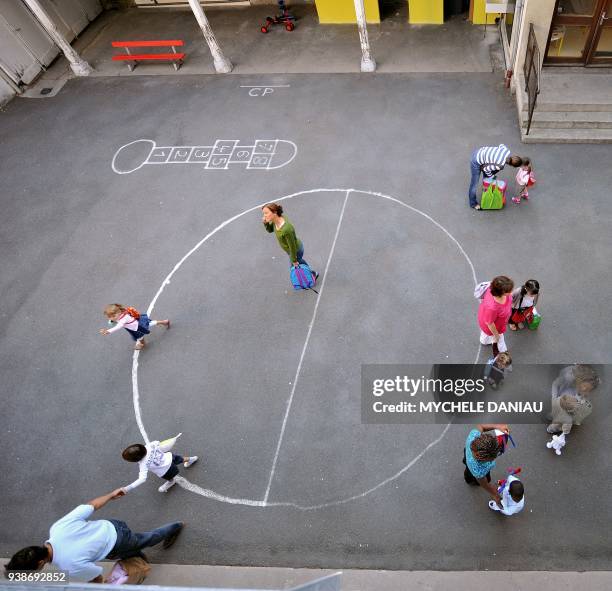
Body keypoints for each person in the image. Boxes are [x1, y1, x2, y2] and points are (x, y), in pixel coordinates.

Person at [4, 489, 183, 583]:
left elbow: (96, 576)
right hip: (112, 525)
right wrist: (112, 495)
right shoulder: (56, 529)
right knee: (131, 548)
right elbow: (91, 506)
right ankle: (136, 552)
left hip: (118, 542)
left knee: (148, 539)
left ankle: (175, 526)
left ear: (39, 564)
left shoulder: (70, 567)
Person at [121, 436, 198, 494]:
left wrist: (127, 488)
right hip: (169, 458)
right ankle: (192, 459)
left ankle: (171, 482)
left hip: (165, 471)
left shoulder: (143, 464)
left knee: (170, 478)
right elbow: (159, 443)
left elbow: (142, 479)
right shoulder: (150, 446)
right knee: (181, 459)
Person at [262, 203, 318, 279]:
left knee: (296, 265)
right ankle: (311, 274)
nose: (264, 216)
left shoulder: (286, 229)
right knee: (299, 262)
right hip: (292, 250)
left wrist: (294, 260)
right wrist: (266, 223)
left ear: (274, 212)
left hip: (296, 250)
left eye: (266, 213)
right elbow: (270, 230)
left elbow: (292, 246)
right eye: (263, 213)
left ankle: (311, 274)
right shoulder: (276, 221)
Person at [463, 423, 512, 507]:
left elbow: (481, 426)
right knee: (474, 477)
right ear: (489, 459)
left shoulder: (473, 437)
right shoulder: (479, 470)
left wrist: (497, 426)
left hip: (467, 457)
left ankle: (468, 478)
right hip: (475, 471)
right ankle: (471, 481)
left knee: (467, 468)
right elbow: (484, 483)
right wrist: (494, 493)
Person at [548, 365, 600, 435]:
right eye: (584, 386)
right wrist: (554, 399)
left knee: (570, 414)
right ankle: (557, 419)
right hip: (564, 395)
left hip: (571, 404)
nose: (584, 389)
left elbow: (583, 404)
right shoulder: (569, 377)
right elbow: (555, 384)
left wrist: (575, 416)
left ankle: (560, 423)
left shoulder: (586, 389)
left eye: (587, 389)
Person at [468, 144, 522, 210]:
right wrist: (492, 176)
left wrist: (493, 156)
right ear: (512, 165)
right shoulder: (500, 165)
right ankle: (473, 203)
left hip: (480, 151)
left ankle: (486, 187)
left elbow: (501, 145)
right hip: (476, 161)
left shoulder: (506, 150)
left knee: (491, 172)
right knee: (474, 184)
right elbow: (485, 169)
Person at [99, 304, 169, 351]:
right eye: (109, 317)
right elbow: (113, 321)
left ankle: (142, 344)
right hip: (138, 321)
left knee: (139, 336)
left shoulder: (123, 319)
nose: (111, 318)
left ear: (119, 313)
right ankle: (164, 322)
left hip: (136, 327)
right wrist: (112, 320)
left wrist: (108, 331)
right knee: (149, 323)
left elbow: (118, 326)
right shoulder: (123, 312)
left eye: (113, 316)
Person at [477, 276, 514, 357]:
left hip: (486, 318)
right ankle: (504, 357)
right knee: (500, 340)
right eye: (509, 291)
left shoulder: (493, 288)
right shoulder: (493, 307)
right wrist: (496, 335)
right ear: (502, 292)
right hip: (494, 326)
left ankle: (485, 341)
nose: (512, 292)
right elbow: (489, 323)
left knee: (484, 338)